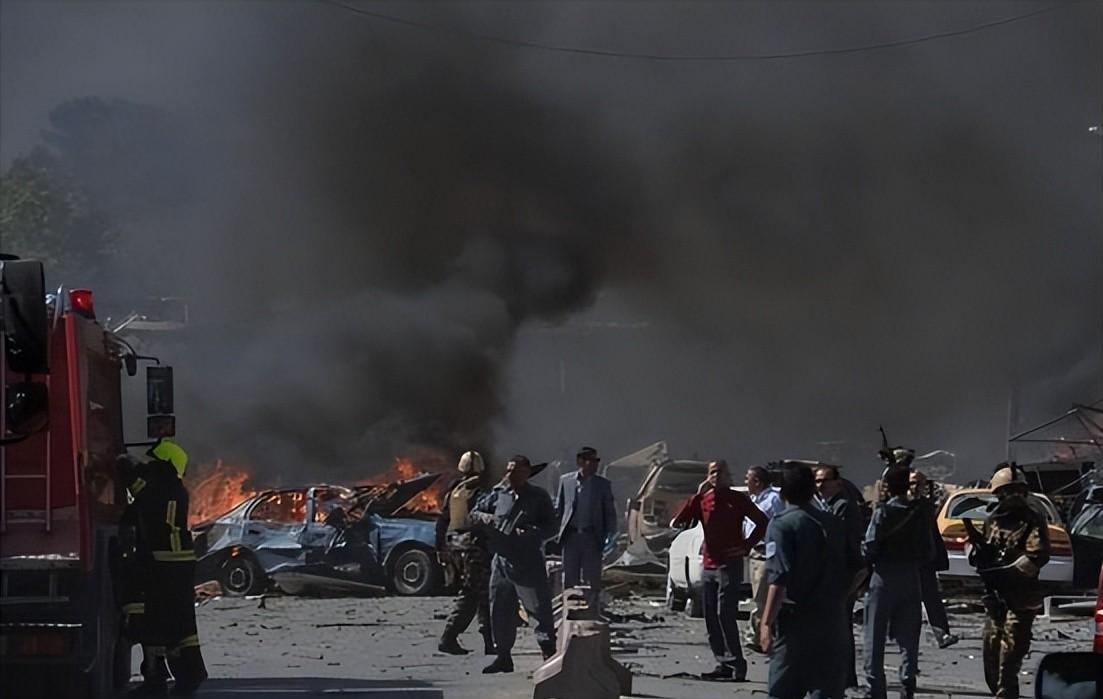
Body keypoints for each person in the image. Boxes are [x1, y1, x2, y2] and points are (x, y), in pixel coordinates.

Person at [117, 438, 207, 696]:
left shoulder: (162, 490)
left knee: (157, 621)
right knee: (175, 623)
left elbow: (140, 492)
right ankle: (182, 674)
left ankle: (164, 679)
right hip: (173, 564)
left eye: (154, 463)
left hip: (165, 565)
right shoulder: (173, 489)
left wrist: (125, 465)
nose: (149, 466)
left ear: (164, 466)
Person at [670, 460, 768, 681]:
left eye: (720, 472)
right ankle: (722, 662)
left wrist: (746, 546)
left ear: (728, 475)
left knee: (726, 613)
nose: (716, 476)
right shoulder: (703, 499)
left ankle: (737, 663)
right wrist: (698, 493)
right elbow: (679, 521)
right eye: (712, 472)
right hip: (709, 564)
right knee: (710, 615)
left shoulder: (737, 499)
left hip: (729, 564)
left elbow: (762, 522)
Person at [758, 463, 849, 699]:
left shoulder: (782, 524)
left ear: (783, 492)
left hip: (796, 622)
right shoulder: (833, 523)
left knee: (783, 689)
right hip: (832, 618)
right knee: (826, 690)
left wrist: (766, 623)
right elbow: (857, 567)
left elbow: (779, 578)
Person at [965, 466, 1050, 699]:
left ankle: (1006, 693)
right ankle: (998, 690)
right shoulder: (993, 519)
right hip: (996, 597)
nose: (1011, 498)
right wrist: (976, 553)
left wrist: (1010, 568)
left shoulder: (1032, 519)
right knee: (990, 650)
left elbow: (1037, 556)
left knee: (1010, 653)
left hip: (1020, 597)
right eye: (1006, 493)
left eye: (1016, 492)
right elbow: (981, 548)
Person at [471, 455, 558, 674]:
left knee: (538, 609)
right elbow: (474, 514)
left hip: (528, 560)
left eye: (516, 471)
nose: (510, 475)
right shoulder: (499, 494)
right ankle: (503, 656)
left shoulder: (538, 497)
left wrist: (531, 532)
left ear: (526, 473)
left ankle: (549, 654)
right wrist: (488, 519)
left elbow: (552, 527)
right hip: (502, 560)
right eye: (508, 470)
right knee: (500, 608)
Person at [860, 465, 932, 699]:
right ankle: (908, 678)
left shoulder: (883, 512)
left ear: (888, 486)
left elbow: (870, 545)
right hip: (911, 576)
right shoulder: (919, 512)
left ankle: (875, 685)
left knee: (874, 633)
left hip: (884, 575)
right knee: (909, 634)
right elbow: (928, 549)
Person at [435, 450, 495, 656]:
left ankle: (489, 641)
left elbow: (442, 521)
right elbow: (483, 519)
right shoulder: (480, 492)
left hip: (455, 547)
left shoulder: (453, 491)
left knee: (483, 593)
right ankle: (449, 636)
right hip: (474, 548)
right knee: (471, 594)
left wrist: (440, 548)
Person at [814, 465, 864, 691]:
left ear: (837, 482)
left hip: (842, 575)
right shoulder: (824, 504)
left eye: (824, 481)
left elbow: (844, 544)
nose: (820, 485)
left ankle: (846, 676)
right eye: (817, 481)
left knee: (841, 628)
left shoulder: (843, 506)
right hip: (831, 575)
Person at [554, 446, 617, 612]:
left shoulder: (602, 485)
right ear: (580, 462)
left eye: (596, 461)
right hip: (571, 536)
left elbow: (609, 512)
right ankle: (569, 612)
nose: (595, 464)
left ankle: (592, 611)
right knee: (569, 575)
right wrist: (554, 531)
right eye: (591, 461)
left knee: (592, 576)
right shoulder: (566, 481)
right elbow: (560, 509)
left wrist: (611, 535)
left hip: (592, 536)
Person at [909, 470, 958, 649]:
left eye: (919, 484)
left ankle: (941, 634)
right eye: (912, 483)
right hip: (904, 561)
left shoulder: (925, 506)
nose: (915, 487)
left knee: (931, 598)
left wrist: (936, 556)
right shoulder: (898, 506)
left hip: (924, 561)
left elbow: (932, 533)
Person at [744, 464, 783, 652]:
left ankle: (757, 637)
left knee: (762, 599)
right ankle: (760, 636)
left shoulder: (773, 499)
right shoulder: (755, 499)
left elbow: (776, 524)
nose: (745, 482)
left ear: (757, 482)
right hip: (755, 554)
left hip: (766, 554)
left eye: (748, 479)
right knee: (759, 597)